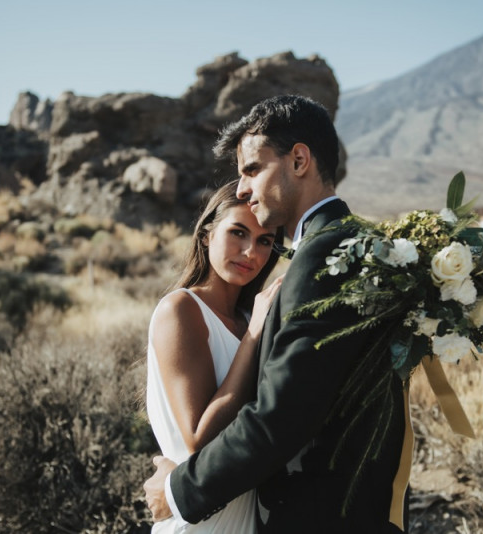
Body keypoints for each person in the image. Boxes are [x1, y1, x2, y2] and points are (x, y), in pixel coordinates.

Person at [145, 95, 407, 533]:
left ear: (299, 160)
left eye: (251, 169)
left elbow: (282, 416)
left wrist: (177, 490)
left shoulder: (323, 256)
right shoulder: (351, 243)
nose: (243, 188)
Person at [145, 180, 283, 533]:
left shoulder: (251, 317)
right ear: (206, 235)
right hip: (196, 523)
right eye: (238, 232)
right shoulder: (181, 309)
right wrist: (253, 337)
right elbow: (198, 439)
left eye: (265, 241)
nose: (251, 252)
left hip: (245, 516)